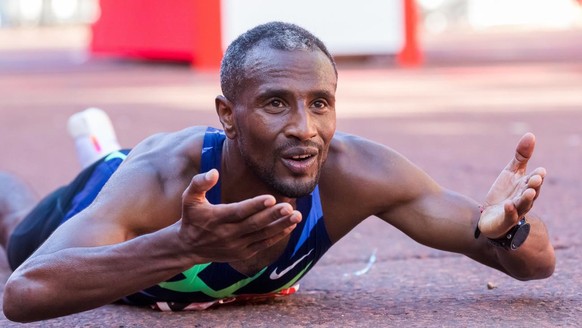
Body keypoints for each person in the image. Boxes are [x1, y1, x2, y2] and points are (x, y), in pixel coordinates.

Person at [1, 21, 554, 323]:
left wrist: (508, 229)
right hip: (108, 190)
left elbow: (536, 267)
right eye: (274, 104)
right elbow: (24, 295)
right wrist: (180, 245)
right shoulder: (163, 179)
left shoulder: (358, 172)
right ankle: (100, 152)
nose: (304, 128)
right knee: (16, 229)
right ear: (227, 116)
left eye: (320, 103)